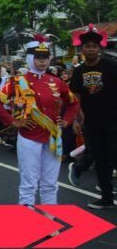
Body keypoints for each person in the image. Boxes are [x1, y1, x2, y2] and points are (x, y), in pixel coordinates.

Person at [0, 34, 79, 206]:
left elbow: (73, 103)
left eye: (45, 57)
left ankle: (49, 219)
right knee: (29, 185)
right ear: (30, 58)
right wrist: (13, 122)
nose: (42, 61)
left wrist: (67, 121)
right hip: (29, 138)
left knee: (50, 184)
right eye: (38, 57)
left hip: (53, 138)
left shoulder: (57, 81)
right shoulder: (17, 82)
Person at [69, 24, 117, 209]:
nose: (91, 49)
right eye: (87, 46)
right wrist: (77, 118)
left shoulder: (111, 65)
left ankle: (82, 169)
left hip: (113, 120)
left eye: (94, 46)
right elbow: (76, 97)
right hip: (91, 122)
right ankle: (106, 198)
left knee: (111, 155)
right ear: (82, 49)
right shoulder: (79, 71)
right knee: (100, 158)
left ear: (99, 49)